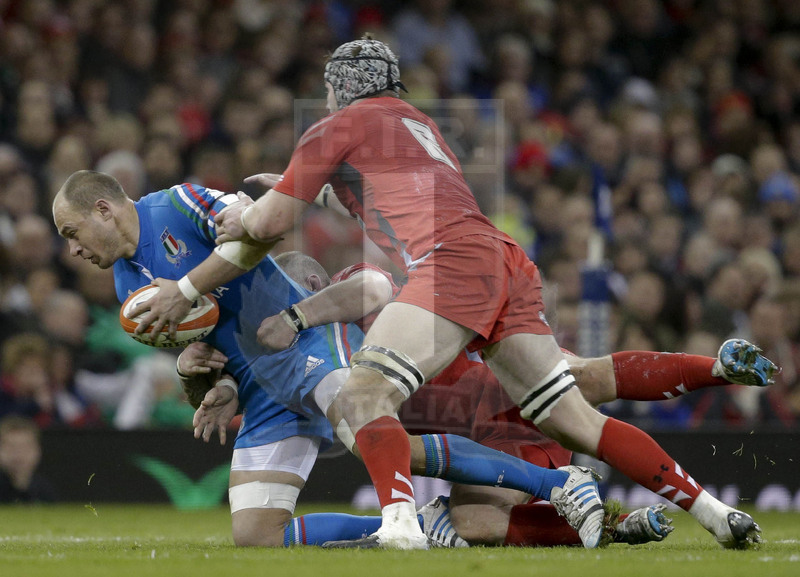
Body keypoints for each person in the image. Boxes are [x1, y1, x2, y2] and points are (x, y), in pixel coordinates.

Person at [143, 36, 768, 549]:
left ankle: (398, 525)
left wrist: (235, 230)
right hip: (503, 261)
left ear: (337, 89)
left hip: (450, 265)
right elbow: (383, 198)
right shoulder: (419, 126)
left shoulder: (337, 126)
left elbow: (270, 225)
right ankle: (717, 513)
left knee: (365, 392)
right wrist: (300, 187)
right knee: (578, 416)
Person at [53, 170, 626, 549]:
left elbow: (257, 234)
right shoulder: (128, 282)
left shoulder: (176, 206)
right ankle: (419, 525)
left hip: (305, 341)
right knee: (256, 536)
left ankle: (555, 483)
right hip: (259, 389)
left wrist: (187, 288)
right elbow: (206, 352)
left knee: (371, 439)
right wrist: (195, 378)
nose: (73, 249)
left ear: (104, 208)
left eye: (73, 232)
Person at [256, 257, 777, 547]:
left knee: (581, 379)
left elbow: (373, 287)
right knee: (468, 523)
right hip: (481, 434)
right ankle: (621, 524)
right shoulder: (315, 359)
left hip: (489, 394)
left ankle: (712, 371)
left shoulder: (356, 308)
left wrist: (298, 316)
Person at [0, 415, 57, 503]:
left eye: (25, 447)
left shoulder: (45, 490)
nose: (18, 454)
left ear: (37, 451)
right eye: (10, 447)